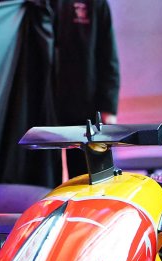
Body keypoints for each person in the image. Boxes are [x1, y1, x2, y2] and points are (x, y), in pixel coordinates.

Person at [54, 0, 119, 179]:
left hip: (85, 102)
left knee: (85, 175)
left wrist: (108, 106)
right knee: (45, 173)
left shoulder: (96, 4)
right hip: (48, 103)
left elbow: (108, 56)